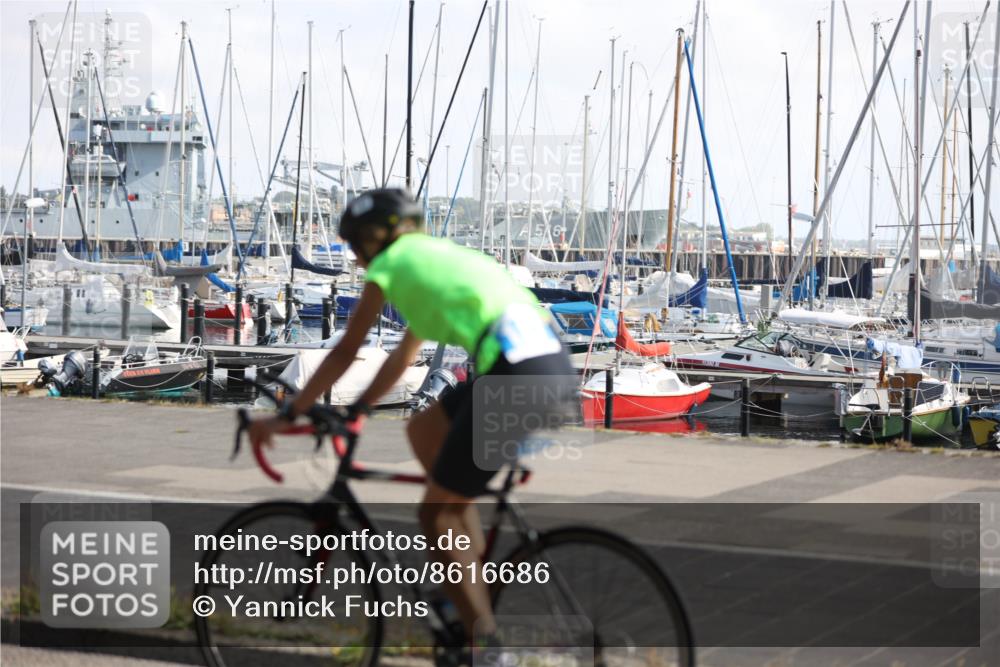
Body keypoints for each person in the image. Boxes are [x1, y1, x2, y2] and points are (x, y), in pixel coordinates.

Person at [248, 188, 574, 649]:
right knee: (422, 429)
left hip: (512, 378)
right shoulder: (436, 260)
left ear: (374, 239)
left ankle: (487, 648)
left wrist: (287, 416)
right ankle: (461, 582)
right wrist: (358, 410)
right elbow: (402, 358)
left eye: (356, 247)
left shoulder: (391, 266)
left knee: (434, 513)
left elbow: (344, 351)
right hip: (541, 365)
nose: (358, 261)